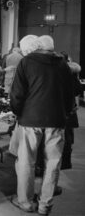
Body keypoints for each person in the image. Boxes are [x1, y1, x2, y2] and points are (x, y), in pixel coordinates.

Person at [10, 35, 73, 215]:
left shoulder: (26, 62)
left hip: (30, 120)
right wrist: (65, 113)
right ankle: (45, 205)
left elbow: (17, 94)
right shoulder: (63, 64)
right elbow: (70, 96)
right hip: (56, 120)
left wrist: (18, 112)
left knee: (25, 163)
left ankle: (26, 202)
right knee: (53, 163)